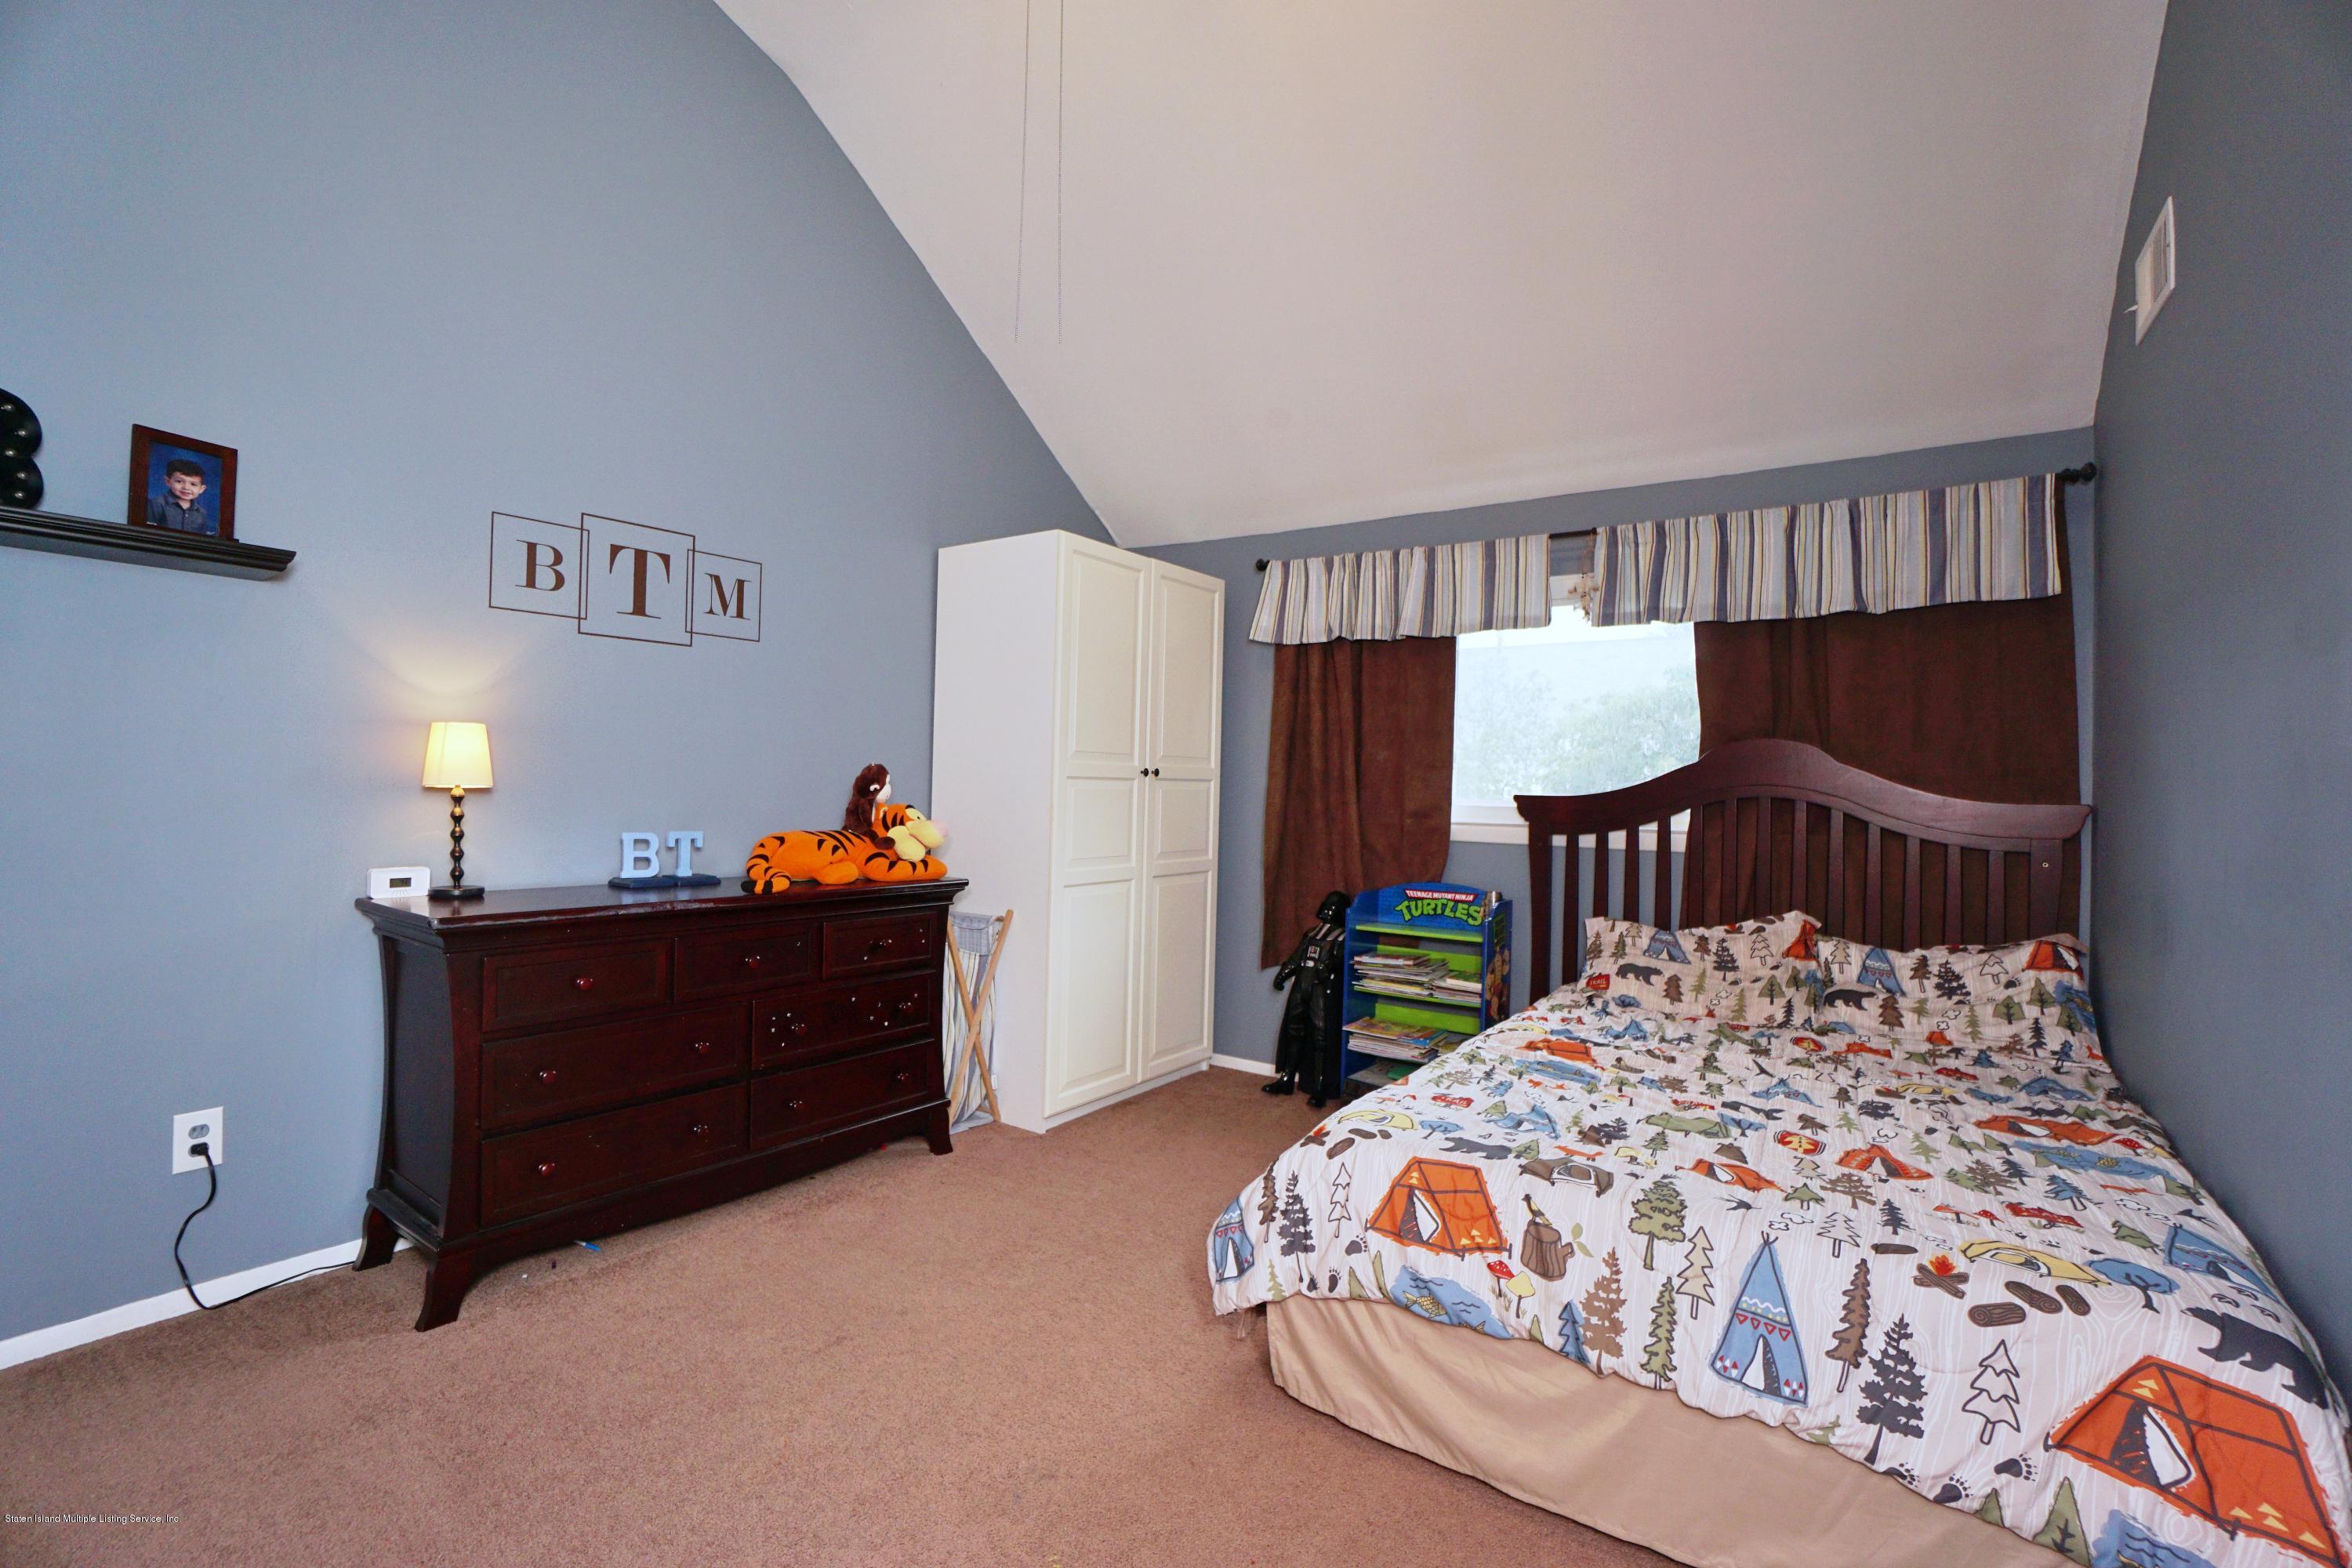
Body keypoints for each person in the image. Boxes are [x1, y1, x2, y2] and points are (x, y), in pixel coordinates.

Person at [147, 457, 213, 534]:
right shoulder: (156, 504)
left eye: (193, 484)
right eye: (179, 481)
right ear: (168, 481)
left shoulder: (201, 513)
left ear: (202, 489)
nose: (186, 487)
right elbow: (149, 533)